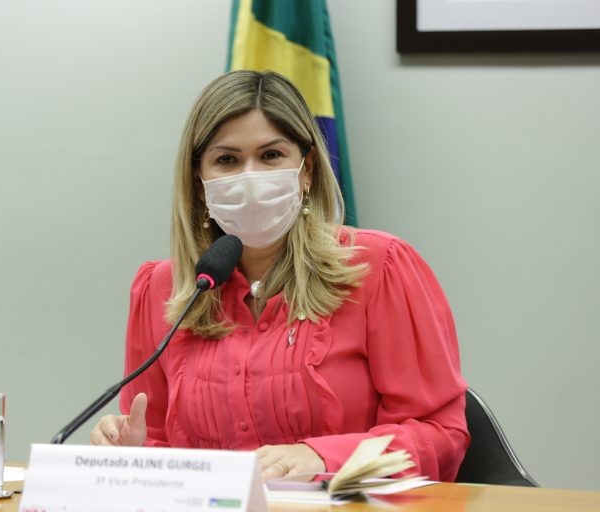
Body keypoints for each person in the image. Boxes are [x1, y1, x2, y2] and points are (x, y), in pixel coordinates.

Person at [90, 70, 469, 482]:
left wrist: (321, 457)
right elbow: (158, 445)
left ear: (306, 170)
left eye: (271, 155)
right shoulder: (165, 288)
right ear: (199, 183)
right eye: (227, 160)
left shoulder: (378, 268)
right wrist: (132, 454)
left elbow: (440, 435)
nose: (250, 178)